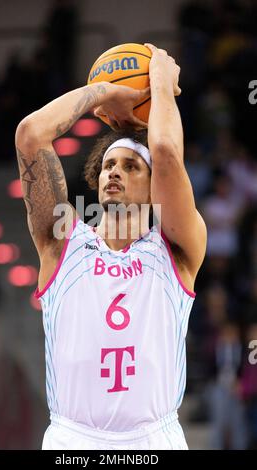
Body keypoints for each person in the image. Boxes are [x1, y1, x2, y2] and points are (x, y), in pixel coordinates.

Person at [15, 44, 207, 450]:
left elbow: (167, 152)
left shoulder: (175, 247)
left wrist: (157, 83)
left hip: (153, 439)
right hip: (73, 439)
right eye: (108, 166)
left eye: (131, 166)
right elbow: (32, 134)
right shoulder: (62, 242)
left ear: (154, 183)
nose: (114, 172)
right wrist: (103, 91)